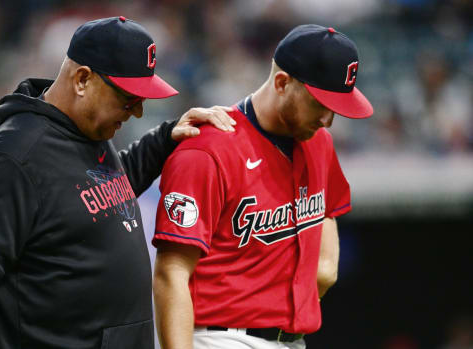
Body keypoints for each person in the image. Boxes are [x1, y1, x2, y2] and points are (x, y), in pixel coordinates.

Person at [0, 16, 235, 349]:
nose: (135, 113)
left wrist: (165, 137)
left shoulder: (84, 130)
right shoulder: (14, 157)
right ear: (82, 80)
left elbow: (99, 195)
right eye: (128, 99)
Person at [152, 24, 374, 349]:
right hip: (221, 336)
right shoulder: (207, 150)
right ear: (283, 83)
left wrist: (320, 273)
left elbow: (328, 227)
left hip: (293, 339)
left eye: (337, 108)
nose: (328, 120)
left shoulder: (319, 143)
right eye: (320, 104)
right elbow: (171, 273)